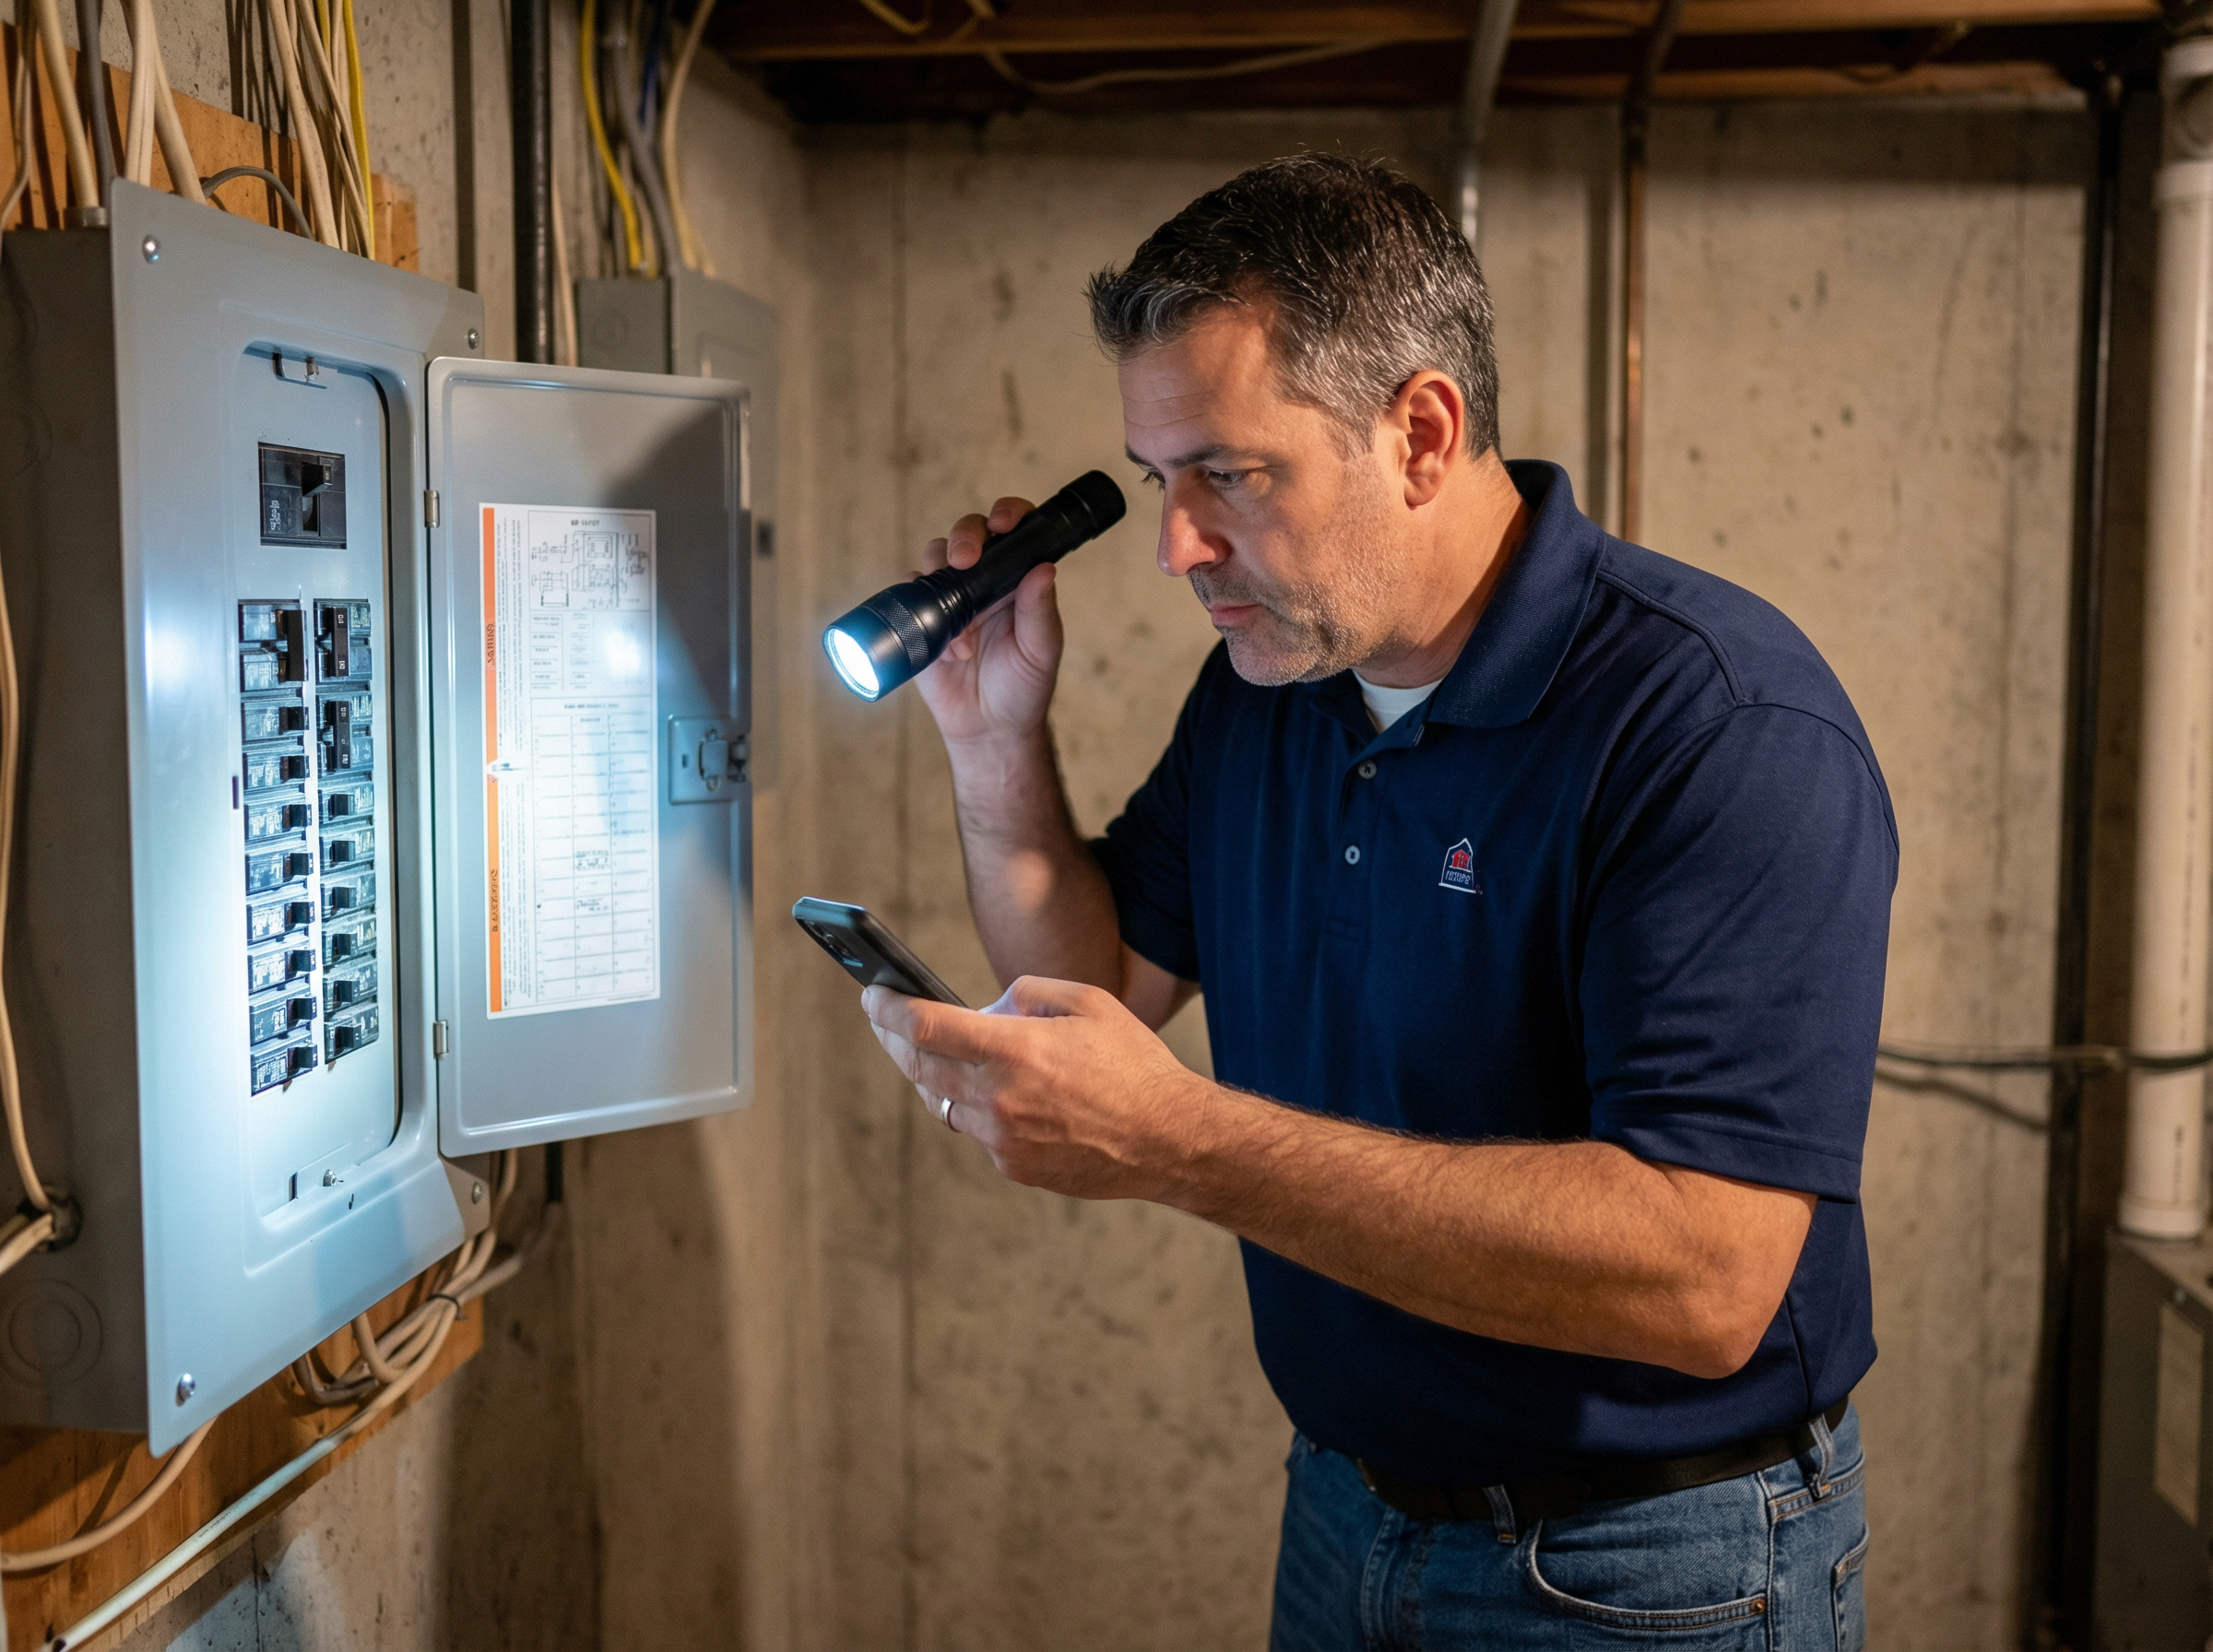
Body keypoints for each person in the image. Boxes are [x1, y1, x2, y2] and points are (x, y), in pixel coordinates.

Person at [860, 152, 1891, 1649]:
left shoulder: (1718, 726)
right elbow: (1099, 983)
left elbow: (1707, 1275)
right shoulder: (1271, 690)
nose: (1178, 548)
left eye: (1232, 472)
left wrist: (1181, 1142)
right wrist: (991, 735)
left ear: (1420, 431)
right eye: (1160, 483)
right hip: (1348, 1510)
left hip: (1655, 1563)